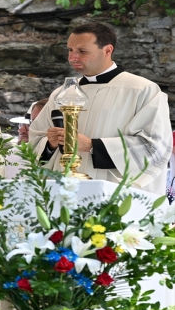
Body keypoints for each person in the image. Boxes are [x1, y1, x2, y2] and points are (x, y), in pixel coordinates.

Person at [29, 22, 172, 193]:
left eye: (82, 51)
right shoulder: (61, 94)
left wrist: (92, 146)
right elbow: (34, 142)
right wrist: (49, 144)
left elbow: (154, 146)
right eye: (70, 50)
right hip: (64, 191)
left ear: (107, 50)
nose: (72, 57)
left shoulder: (142, 90)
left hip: (113, 193)